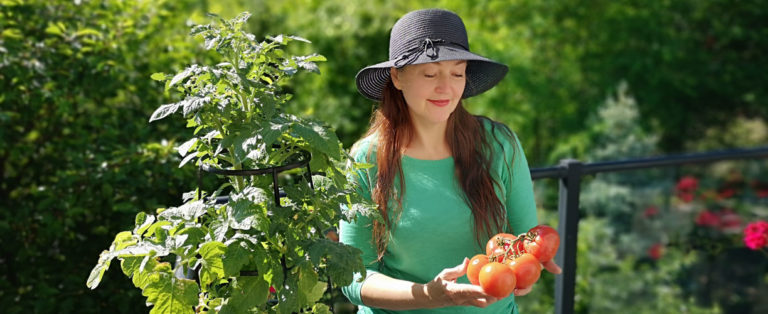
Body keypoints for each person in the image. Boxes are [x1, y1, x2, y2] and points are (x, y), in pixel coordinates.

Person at [339, 8, 561, 313]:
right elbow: (354, 275)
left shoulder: (499, 145)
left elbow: (524, 244)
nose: (446, 87)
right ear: (397, 77)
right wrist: (429, 295)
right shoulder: (366, 159)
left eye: (457, 73)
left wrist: (530, 263)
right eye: (430, 74)